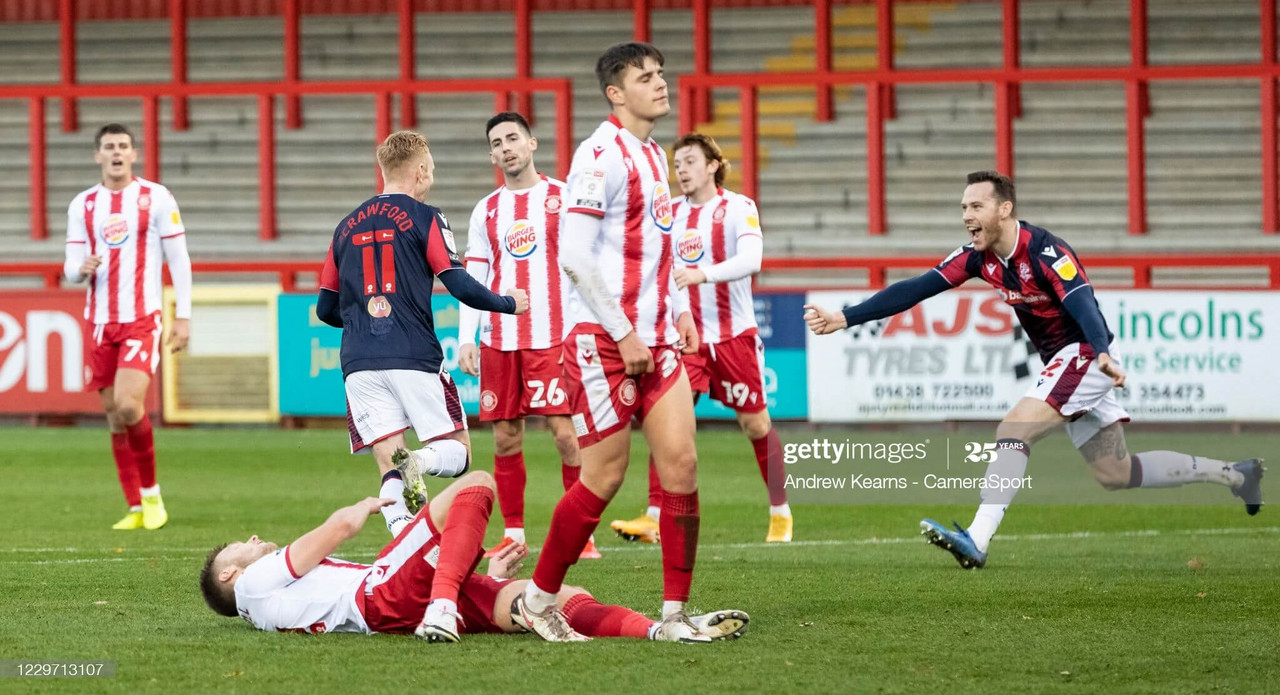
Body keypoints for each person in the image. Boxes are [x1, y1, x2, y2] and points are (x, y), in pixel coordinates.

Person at [804, 170, 1265, 569]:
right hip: (1073, 363)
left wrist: (1102, 351)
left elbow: (1083, 304)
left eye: (976, 206)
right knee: (1115, 473)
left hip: (1086, 354)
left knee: (1014, 427)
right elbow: (916, 288)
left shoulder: (1046, 253)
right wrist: (847, 316)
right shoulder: (977, 257)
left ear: (1004, 209)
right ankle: (1236, 474)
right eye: (963, 206)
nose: (967, 215)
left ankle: (977, 539)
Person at [514, 42, 713, 642]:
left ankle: (676, 615)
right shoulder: (600, 155)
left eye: (660, 74)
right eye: (644, 78)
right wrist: (624, 331)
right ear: (615, 94)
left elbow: (661, 243)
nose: (660, 84)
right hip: (604, 340)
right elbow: (573, 254)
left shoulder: (655, 154)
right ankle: (539, 599)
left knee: (681, 464)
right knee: (604, 476)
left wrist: (678, 308)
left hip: (656, 338)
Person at [198, 472, 749, 643]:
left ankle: (660, 631)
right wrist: (370, 502)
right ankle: (443, 609)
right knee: (477, 484)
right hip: (382, 596)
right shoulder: (250, 584)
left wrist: (479, 570)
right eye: (243, 545)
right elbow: (338, 529)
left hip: (389, 608)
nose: (254, 538)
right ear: (231, 571)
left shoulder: (261, 606)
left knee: (545, 599)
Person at [316, 130, 528, 539]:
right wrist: (508, 303)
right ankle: (420, 459)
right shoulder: (427, 217)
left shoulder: (344, 228)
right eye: (430, 171)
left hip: (358, 362)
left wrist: (364, 322)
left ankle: (407, 555)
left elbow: (326, 308)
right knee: (459, 454)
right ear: (420, 171)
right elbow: (459, 283)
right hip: (412, 353)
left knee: (388, 465)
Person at [610, 133, 792, 545]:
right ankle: (655, 517)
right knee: (667, 420)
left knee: (756, 424)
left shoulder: (737, 207)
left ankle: (780, 511)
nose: (682, 169)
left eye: (691, 161)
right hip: (684, 338)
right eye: (678, 164)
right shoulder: (669, 213)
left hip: (733, 335)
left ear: (713, 165)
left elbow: (753, 259)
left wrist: (702, 274)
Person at [457, 112, 598, 560]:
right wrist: (466, 337)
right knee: (505, 437)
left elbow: (587, 263)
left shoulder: (563, 197)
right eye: (497, 143)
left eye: (512, 138)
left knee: (565, 433)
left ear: (532, 143)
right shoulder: (488, 209)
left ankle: (581, 533)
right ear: (491, 154)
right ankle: (514, 534)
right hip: (499, 339)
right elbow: (473, 277)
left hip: (554, 336)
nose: (505, 148)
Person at [63, 123, 192, 531]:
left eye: (123, 146)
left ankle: (153, 497)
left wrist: (184, 315)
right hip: (100, 322)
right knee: (114, 416)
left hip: (141, 318)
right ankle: (135, 506)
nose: (116, 152)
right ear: (96, 155)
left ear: (133, 154)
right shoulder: (82, 205)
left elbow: (180, 259)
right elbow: (69, 265)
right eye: (108, 147)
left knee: (128, 404)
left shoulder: (156, 197)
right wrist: (78, 270)